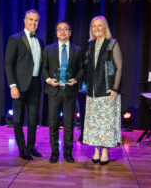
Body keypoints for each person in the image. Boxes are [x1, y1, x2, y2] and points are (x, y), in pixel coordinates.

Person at [83, 16, 123, 165]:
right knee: (94, 123)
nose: (97, 28)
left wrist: (115, 88)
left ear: (105, 28)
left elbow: (119, 67)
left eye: (100, 26)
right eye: (94, 26)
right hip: (92, 91)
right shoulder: (90, 45)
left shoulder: (112, 43)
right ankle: (96, 149)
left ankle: (105, 150)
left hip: (107, 90)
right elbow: (87, 66)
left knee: (105, 124)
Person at [5, 9, 44, 160]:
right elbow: (8, 64)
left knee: (33, 118)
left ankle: (31, 147)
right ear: (25, 21)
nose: (33, 23)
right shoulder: (15, 39)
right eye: (31, 19)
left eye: (36, 20)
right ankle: (22, 149)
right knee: (18, 119)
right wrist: (12, 85)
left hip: (35, 84)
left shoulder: (40, 41)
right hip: (19, 85)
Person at [42, 21, 84, 163]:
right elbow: (44, 68)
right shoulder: (48, 49)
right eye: (60, 29)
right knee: (53, 124)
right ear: (56, 32)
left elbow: (81, 69)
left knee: (68, 124)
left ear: (70, 32)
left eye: (66, 29)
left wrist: (75, 79)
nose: (63, 32)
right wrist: (48, 80)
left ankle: (68, 152)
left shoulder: (77, 50)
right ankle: (54, 152)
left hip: (70, 92)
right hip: (53, 91)